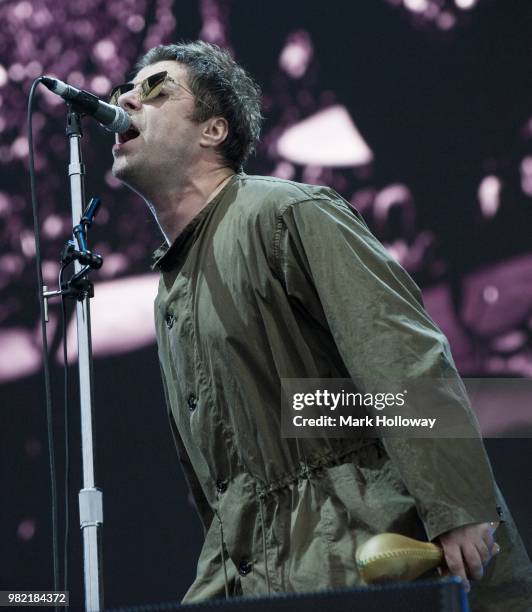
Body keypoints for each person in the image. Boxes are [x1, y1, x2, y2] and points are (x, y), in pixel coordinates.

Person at [111, 41, 532, 610]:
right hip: (252, 571)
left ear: (213, 130)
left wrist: (457, 507)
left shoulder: (285, 213)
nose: (127, 97)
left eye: (155, 88)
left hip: (351, 547)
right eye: (126, 90)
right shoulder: (172, 291)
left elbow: (400, 355)